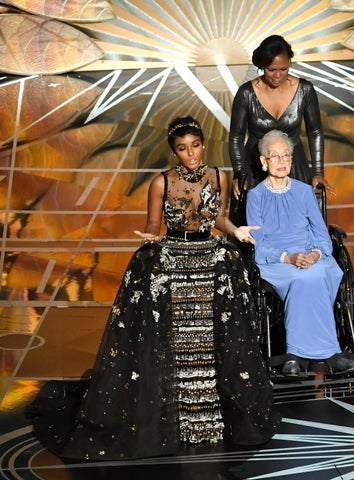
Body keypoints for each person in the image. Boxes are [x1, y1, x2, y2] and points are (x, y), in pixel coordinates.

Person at [27, 116, 280, 460]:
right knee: (172, 334)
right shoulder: (161, 183)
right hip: (173, 254)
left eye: (195, 146)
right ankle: (176, 419)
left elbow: (217, 216)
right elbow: (152, 224)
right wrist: (150, 237)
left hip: (210, 254)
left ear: (203, 145)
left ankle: (212, 418)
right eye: (182, 148)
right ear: (174, 151)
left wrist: (234, 231)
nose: (190, 154)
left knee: (213, 335)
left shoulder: (218, 175)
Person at [245, 130, 354, 376]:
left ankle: (299, 356)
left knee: (316, 273)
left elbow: (320, 234)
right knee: (302, 277)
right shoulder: (255, 196)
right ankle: (327, 353)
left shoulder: (304, 191)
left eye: (286, 155)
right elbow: (259, 243)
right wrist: (288, 258)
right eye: (274, 157)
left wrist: (316, 255)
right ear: (264, 162)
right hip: (276, 260)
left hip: (311, 254)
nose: (282, 161)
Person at [229, 34, 331, 204]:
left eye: (283, 69)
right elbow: (236, 137)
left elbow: (315, 132)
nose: (277, 75)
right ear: (262, 66)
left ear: (290, 63)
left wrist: (318, 172)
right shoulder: (246, 93)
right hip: (255, 169)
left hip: (294, 167)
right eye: (271, 70)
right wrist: (239, 172)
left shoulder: (305, 90)